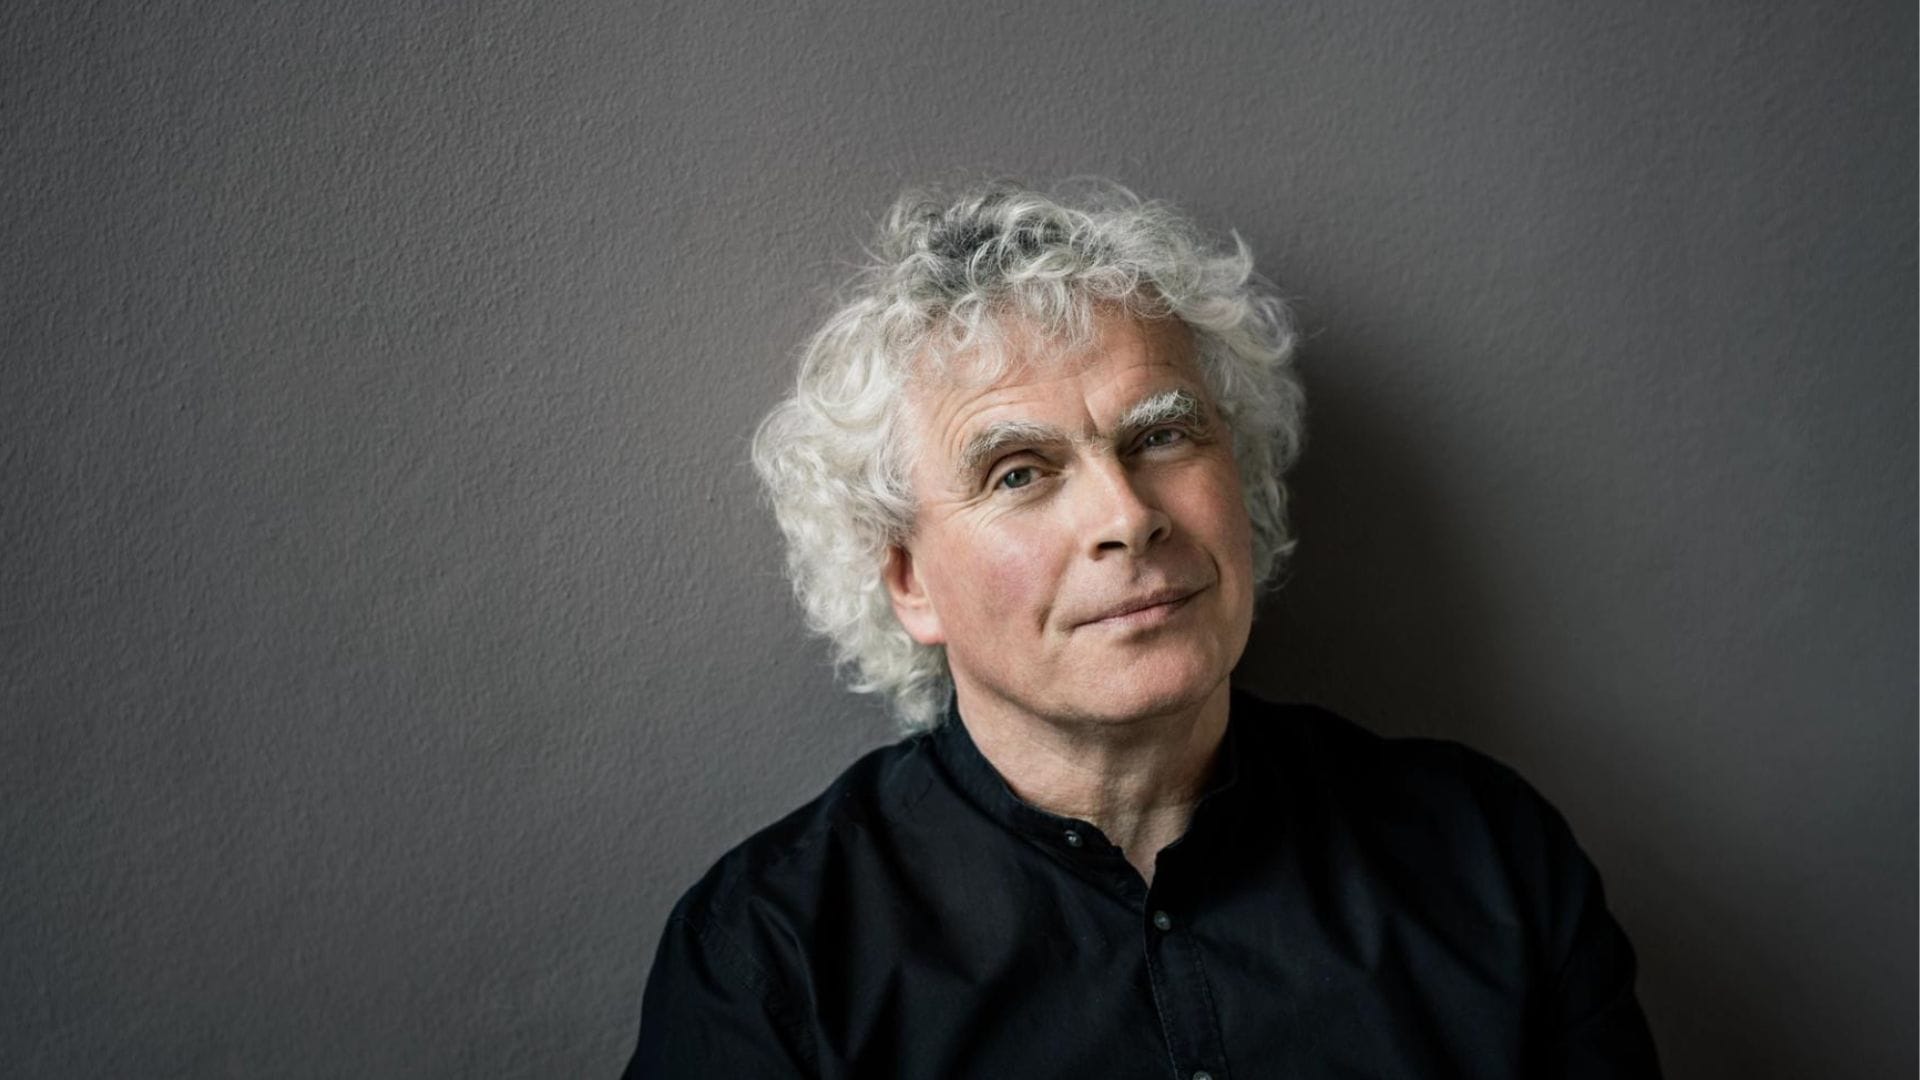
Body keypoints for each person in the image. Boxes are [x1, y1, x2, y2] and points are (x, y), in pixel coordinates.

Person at [624, 181, 1661, 1078]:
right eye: (1018, 473)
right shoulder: (772, 955)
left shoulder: (1488, 860)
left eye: (1162, 434)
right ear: (907, 581)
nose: (1126, 516)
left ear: (1240, 482)